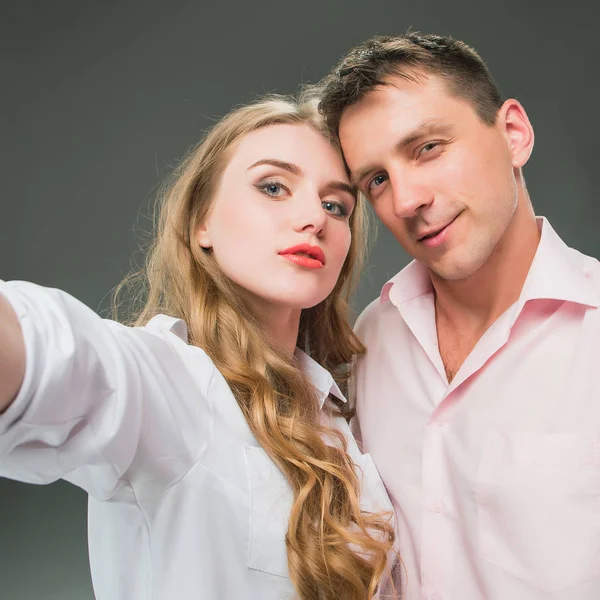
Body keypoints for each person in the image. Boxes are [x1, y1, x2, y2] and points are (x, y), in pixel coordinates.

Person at [0, 94, 397, 600]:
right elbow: (53, 351)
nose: (313, 218)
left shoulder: (345, 419)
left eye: (334, 205)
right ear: (200, 222)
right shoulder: (170, 385)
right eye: (273, 187)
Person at [317, 32, 600, 600]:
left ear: (514, 135)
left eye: (427, 148)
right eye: (376, 180)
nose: (405, 201)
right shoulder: (373, 337)